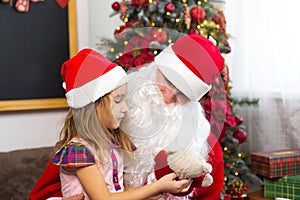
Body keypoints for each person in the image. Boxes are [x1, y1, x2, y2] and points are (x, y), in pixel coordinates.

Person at [30, 34, 225, 200]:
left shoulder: (202, 141)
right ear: (157, 69)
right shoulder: (109, 116)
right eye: (168, 81)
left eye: (183, 94)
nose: (169, 97)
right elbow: (52, 187)